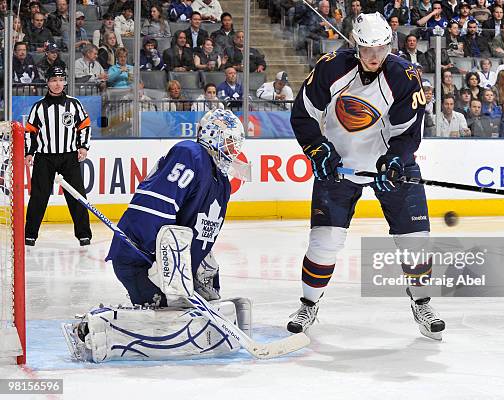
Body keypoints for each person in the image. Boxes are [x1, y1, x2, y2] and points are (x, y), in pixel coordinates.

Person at [288, 12, 445, 340]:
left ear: (390, 44)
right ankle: (308, 303)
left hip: (391, 167)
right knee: (324, 242)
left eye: (381, 47)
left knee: (415, 241)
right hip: (340, 165)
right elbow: (303, 113)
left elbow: (408, 134)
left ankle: (422, 302)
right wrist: (318, 148)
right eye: (366, 48)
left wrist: (395, 161)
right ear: (354, 45)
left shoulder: (405, 76)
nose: (374, 56)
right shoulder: (331, 67)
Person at [63, 109, 250, 363]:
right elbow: (155, 205)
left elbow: (197, 233)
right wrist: (159, 259)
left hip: (170, 264)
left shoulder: (220, 182)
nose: (233, 151)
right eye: (230, 142)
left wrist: (201, 268)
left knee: (189, 310)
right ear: (213, 135)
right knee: (172, 318)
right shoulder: (190, 154)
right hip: (141, 258)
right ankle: (92, 329)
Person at [24, 66, 92, 247]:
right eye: (53, 80)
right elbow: (30, 131)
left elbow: (84, 125)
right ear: (47, 82)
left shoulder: (74, 104)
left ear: (65, 82)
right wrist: (29, 152)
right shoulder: (38, 107)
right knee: (38, 196)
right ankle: (29, 235)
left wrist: (83, 147)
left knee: (77, 196)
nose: (57, 83)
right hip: (44, 158)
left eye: (60, 80)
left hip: (69, 157)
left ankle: (84, 235)